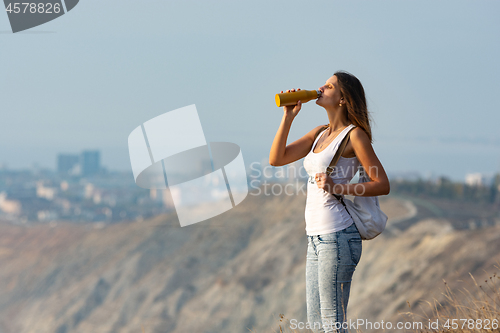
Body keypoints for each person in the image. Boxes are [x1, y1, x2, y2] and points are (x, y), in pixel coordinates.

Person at [269, 71, 390, 333]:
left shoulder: (354, 136)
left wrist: (339, 187)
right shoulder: (319, 133)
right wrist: (288, 117)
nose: (321, 87)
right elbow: (276, 159)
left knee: (332, 324)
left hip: (338, 236)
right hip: (315, 237)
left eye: (329, 85)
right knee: (316, 325)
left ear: (343, 98)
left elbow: (382, 184)